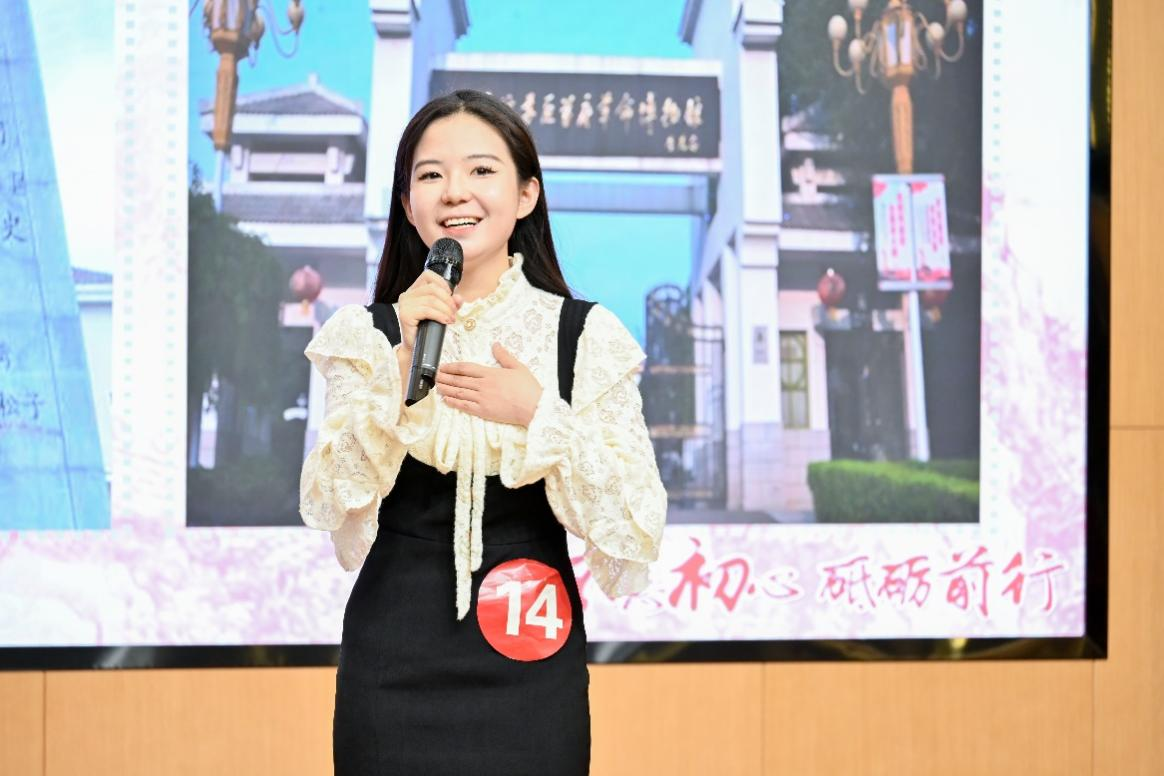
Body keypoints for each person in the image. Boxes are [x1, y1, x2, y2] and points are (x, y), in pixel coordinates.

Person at [298, 89, 667, 775]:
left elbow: (635, 522)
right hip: (393, 658)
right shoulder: (368, 334)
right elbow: (326, 502)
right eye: (430, 175)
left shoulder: (582, 336)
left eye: (481, 170)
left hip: (531, 649)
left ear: (526, 194)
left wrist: (538, 413)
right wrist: (395, 373)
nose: (454, 192)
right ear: (408, 204)